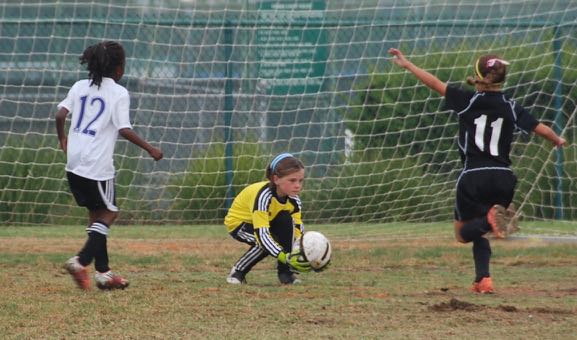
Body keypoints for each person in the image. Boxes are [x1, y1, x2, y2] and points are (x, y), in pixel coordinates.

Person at [388, 48, 566, 293]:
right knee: (482, 227)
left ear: (478, 75)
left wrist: (408, 65)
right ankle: (483, 279)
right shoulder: (511, 106)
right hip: (504, 177)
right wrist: (557, 139)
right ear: (503, 79)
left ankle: (490, 221)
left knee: (464, 233)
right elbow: (541, 128)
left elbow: (434, 83)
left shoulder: (469, 101)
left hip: (474, 175)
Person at [55, 41, 163, 290]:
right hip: (97, 165)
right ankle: (80, 261)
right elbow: (124, 129)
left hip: (74, 162)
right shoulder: (118, 92)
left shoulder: (79, 86)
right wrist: (151, 149)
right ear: (118, 69)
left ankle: (103, 273)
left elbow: (60, 114)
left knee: (95, 214)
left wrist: (62, 138)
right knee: (109, 213)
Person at [224, 153, 311, 285]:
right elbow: (263, 236)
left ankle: (285, 273)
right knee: (266, 243)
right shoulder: (264, 197)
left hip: (265, 224)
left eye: (300, 180)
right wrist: (284, 256)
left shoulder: (294, 200)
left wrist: (302, 251)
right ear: (276, 179)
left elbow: (297, 229)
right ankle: (237, 272)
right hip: (240, 224)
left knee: (287, 221)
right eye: (292, 180)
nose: (298, 185)